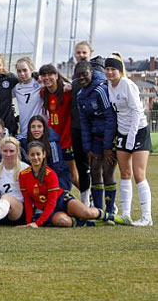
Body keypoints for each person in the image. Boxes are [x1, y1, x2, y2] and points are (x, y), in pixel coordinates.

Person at [18, 142, 129, 228]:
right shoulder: (23, 175)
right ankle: (92, 224)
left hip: (61, 200)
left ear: (44, 155)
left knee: (87, 212)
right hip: (47, 208)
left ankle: (115, 217)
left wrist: (38, 223)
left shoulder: (50, 174)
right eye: (32, 154)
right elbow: (27, 201)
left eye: (38, 154)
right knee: (62, 221)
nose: (35, 157)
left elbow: (52, 201)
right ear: (28, 156)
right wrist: (29, 223)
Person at [106, 52, 153, 226]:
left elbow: (136, 112)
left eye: (113, 69)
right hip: (122, 132)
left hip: (138, 131)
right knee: (125, 173)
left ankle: (147, 217)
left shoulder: (128, 85)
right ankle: (126, 214)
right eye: (107, 69)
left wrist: (131, 137)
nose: (110, 72)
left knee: (139, 174)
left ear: (120, 70)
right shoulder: (109, 85)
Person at [74, 61, 117, 212]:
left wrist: (108, 147)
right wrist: (88, 148)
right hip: (96, 139)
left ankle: (110, 211)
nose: (81, 78)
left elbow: (110, 117)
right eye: (78, 75)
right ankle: (99, 211)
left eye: (84, 74)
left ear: (91, 73)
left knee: (107, 172)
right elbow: (84, 123)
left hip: (109, 138)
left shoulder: (101, 90)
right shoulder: (80, 95)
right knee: (94, 171)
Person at [70, 41, 106, 206]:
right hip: (78, 126)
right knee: (81, 165)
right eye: (78, 53)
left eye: (84, 52)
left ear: (90, 53)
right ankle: (85, 200)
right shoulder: (76, 76)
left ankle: (105, 203)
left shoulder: (97, 75)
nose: (81, 55)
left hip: (95, 129)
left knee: (98, 167)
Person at [39, 64, 78, 189]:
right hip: (53, 139)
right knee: (56, 173)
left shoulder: (67, 91)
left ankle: (91, 199)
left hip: (67, 139)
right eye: (44, 75)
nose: (47, 78)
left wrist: (72, 86)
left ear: (56, 75)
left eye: (50, 74)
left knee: (73, 174)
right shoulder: (43, 92)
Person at [20, 116, 72, 192]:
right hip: (36, 178)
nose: (36, 130)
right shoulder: (26, 143)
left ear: (44, 129)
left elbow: (58, 166)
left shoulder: (52, 143)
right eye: (33, 127)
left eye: (39, 127)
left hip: (56, 177)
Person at [13, 57, 44, 139]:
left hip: (39, 131)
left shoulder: (40, 83)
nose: (22, 74)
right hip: (24, 131)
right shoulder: (16, 87)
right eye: (19, 71)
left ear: (31, 69)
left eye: (25, 70)